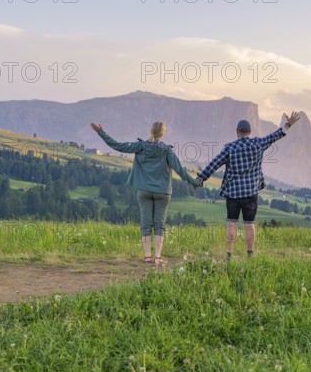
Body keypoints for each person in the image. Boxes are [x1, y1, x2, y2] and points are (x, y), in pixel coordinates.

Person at [90, 122, 200, 264]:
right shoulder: (167, 150)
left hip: (144, 191)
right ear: (162, 133)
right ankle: (158, 257)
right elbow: (180, 170)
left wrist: (101, 132)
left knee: (145, 223)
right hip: (162, 192)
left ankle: (147, 256)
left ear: (151, 131)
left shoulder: (140, 146)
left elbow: (117, 146)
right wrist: (194, 182)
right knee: (159, 224)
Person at [196, 112, 300, 259]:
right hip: (251, 193)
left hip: (233, 193)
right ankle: (250, 254)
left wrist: (200, 179)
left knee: (231, 224)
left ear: (237, 132)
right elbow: (274, 136)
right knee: (249, 225)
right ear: (249, 132)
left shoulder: (229, 148)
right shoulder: (257, 143)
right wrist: (288, 125)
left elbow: (214, 164)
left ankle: (228, 253)